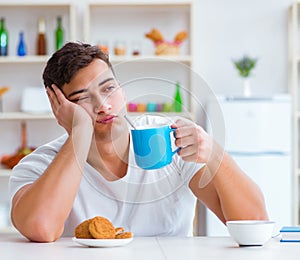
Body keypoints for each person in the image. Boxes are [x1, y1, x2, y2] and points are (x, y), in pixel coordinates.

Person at [9, 42, 268, 242]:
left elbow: (255, 222)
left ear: (121, 88)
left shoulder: (170, 141)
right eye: (82, 98)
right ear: (59, 109)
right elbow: (41, 228)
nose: (103, 105)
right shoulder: (39, 166)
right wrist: (79, 132)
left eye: (109, 88)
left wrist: (214, 154)